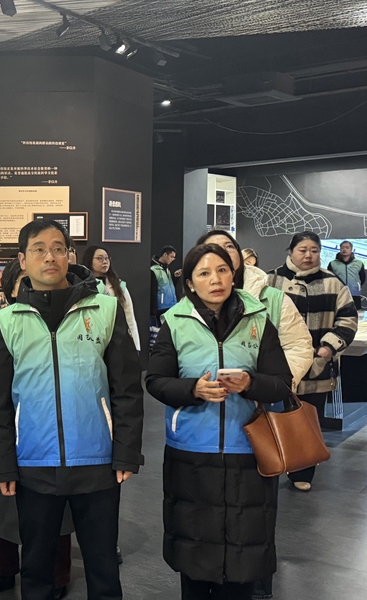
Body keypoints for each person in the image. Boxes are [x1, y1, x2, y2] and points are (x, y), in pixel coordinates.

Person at [0, 219, 144, 600]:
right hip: (33, 462)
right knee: (36, 570)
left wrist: (126, 451)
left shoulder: (105, 310)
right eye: (39, 249)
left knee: (103, 570)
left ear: (69, 256)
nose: (50, 257)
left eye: (58, 248)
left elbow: (126, 389)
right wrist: (3, 463)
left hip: (97, 462)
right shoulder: (7, 322)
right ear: (22, 260)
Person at [146, 243, 293, 600]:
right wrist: (193, 389)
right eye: (204, 273)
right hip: (191, 451)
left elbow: (282, 383)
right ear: (190, 283)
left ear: (233, 274)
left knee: (243, 557)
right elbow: (156, 381)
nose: (216, 279)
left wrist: (250, 383)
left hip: (249, 450)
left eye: (223, 270)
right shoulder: (175, 322)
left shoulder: (258, 320)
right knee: (194, 553)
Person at [0, 258, 74, 597]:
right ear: (11, 291)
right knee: (5, 506)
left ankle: (58, 575)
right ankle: (3, 568)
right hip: (10, 430)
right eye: (24, 283)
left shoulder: (63, 325)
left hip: (55, 432)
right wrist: (9, 418)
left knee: (57, 510)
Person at [267, 231, 357, 491]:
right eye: (302, 250)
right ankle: (268, 464)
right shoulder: (271, 280)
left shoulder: (333, 283)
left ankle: (302, 471)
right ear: (291, 251)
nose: (308, 255)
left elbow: (348, 319)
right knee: (270, 416)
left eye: (314, 250)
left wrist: (328, 347)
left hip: (317, 367)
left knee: (308, 421)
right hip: (277, 365)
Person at [196, 231, 313, 390]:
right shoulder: (189, 305)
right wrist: (193, 387)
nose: (223, 251)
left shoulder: (274, 299)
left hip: (261, 399)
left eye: (229, 246)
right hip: (204, 398)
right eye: (213, 248)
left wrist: (272, 385)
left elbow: (298, 347)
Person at [82, 245, 141, 352]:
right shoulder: (82, 286)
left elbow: (130, 317)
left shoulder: (119, 285)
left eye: (106, 258)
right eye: (99, 258)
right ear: (89, 260)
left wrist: (135, 345)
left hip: (116, 340)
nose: (105, 262)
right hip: (91, 340)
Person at [150, 245, 182, 349]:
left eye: (174, 258)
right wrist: (154, 310)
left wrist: (175, 277)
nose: (172, 259)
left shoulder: (167, 269)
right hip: (161, 307)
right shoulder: (153, 270)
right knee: (160, 334)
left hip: (171, 305)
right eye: (171, 257)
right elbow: (153, 291)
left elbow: (167, 285)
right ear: (165, 255)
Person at [327, 240, 365, 309]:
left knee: (356, 313)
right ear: (340, 249)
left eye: (347, 248)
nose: (344, 249)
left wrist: (356, 286)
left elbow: (362, 278)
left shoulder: (359, 263)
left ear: (351, 249)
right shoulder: (333, 264)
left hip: (354, 294)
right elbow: (329, 278)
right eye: (342, 248)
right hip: (338, 294)